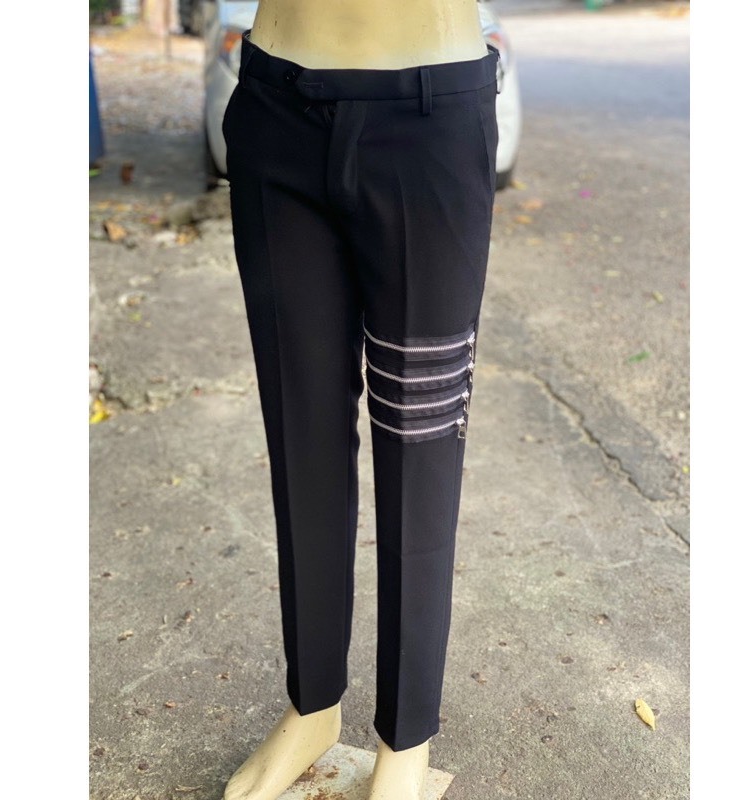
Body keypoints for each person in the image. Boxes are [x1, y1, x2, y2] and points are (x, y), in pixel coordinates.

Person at [221, 1, 499, 798]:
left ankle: (405, 740)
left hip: (430, 121)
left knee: (422, 452)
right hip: (276, 107)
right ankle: (312, 704)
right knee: (300, 432)